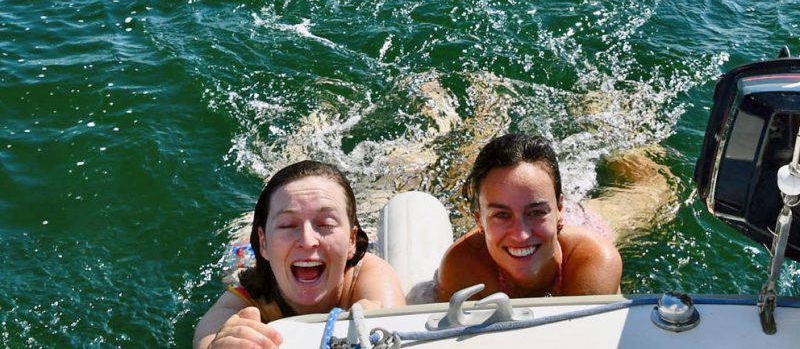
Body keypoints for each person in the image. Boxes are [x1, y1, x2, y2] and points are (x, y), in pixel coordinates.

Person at [194, 160, 406, 349]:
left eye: (326, 223)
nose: (307, 241)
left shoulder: (369, 276)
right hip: (249, 256)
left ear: (351, 240)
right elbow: (207, 341)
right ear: (263, 242)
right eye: (287, 225)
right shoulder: (244, 303)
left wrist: (379, 321)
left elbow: (392, 328)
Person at [436, 133, 622, 301]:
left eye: (536, 212)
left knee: (638, 200)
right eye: (501, 215)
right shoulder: (461, 267)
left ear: (559, 208)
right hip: (547, 231)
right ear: (479, 220)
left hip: (585, 222)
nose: (521, 235)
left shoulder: (592, 260)